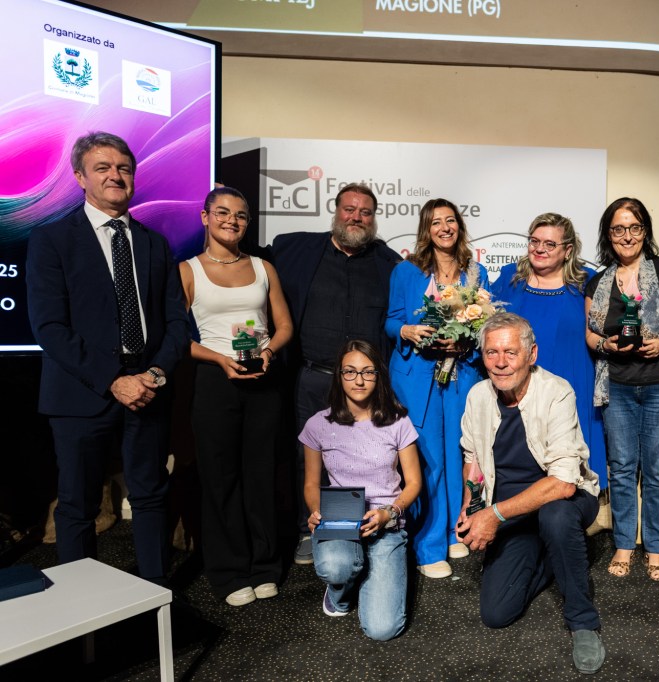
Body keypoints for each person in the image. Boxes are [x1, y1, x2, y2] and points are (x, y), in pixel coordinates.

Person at [26, 131, 190, 583]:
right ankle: (83, 618)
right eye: (103, 168)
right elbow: (49, 327)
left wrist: (154, 373)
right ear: (80, 177)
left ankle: (156, 597)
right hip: (82, 393)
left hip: (148, 389)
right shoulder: (52, 240)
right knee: (78, 506)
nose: (116, 176)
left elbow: (177, 324)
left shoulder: (155, 244)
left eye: (123, 168)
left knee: (152, 497)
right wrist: (114, 379)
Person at [456, 313, 605, 674]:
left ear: (531, 354)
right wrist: (472, 506)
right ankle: (557, 556)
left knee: (556, 517)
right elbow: (472, 459)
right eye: (491, 352)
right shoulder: (478, 396)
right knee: (496, 613)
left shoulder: (557, 392)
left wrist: (493, 516)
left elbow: (564, 483)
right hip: (513, 510)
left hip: (565, 499)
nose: (501, 362)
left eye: (510, 352)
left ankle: (583, 621)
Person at [272, 183, 402, 565]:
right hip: (313, 377)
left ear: (373, 218)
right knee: (306, 458)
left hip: (366, 384)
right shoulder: (293, 249)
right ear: (336, 210)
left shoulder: (390, 264)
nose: (356, 217)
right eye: (349, 209)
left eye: (364, 212)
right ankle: (308, 529)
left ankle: (360, 528)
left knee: (363, 457)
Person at [179, 187, 293, 606]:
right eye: (223, 213)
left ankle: (264, 566)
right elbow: (178, 337)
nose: (232, 221)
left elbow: (283, 326)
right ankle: (228, 573)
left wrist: (268, 351)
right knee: (220, 479)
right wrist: (218, 359)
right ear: (205, 216)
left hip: (262, 379)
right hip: (215, 381)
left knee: (261, 475)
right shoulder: (188, 270)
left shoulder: (263, 267)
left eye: (241, 215)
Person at [385, 198, 491, 578]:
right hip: (417, 376)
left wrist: (467, 342)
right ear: (426, 230)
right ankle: (427, 546)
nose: (445, 228)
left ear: (459, 226)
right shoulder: (406, 271)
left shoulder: (475, 273)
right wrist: (408, 331)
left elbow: (486, 328)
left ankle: (452, 532)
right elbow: (391, 321)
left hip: (460, 374)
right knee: (427, 458)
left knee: (457, 454)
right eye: (436, 222)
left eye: (451, 221)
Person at [300, 339, 422, 641]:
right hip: (339, 521)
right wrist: (317, 511)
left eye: (368, 372)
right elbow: (311, 484)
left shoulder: (397, 420)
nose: (359, 380)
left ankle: (366, 568)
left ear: (378, 376)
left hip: (385, 524)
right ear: (339, 376)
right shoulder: (318, 425)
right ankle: (339, 593)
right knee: (337, 566)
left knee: (383, 629)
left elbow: (414, 482)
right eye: (350, 372)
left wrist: (389, 513)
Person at [584, 197, 659, 581]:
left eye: (635, 227)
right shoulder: (597, 280)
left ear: (645, 231)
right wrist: (607, 345)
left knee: (658, 471)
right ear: (609, 234)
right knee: (622, 469)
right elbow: (590, 335)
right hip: (617, 386)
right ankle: (625, 543)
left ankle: (655, 548)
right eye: (619, 228)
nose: (627, 235)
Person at [492, 213, 607, 491]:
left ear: (568, 250)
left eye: (549, 244)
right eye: (534, 241)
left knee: (569, 466)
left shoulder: (586, 282)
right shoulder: (510, 277)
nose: (539, 249)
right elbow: (488, 325)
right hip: (519, 387)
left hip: (574, 383)